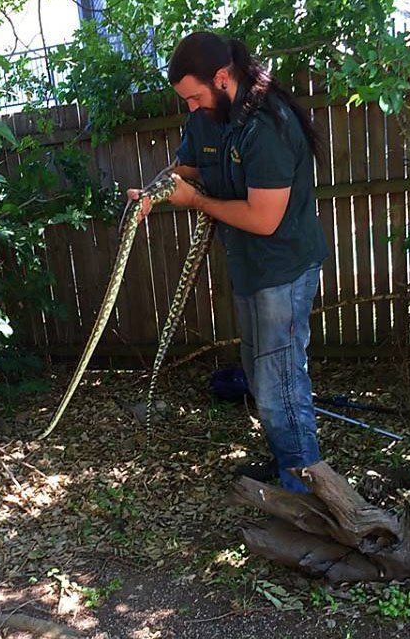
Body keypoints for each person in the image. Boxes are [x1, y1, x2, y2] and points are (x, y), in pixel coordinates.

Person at [127, 31, 329, 493]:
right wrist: (154, 192)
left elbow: (263, 218)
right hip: (249, 268)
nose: (191, 107)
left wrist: (195, 201)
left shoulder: (269, 126)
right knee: (260, 376)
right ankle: (287, 468)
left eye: (195, 96)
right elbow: (187, 169)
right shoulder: (206, 117)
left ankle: (304, 489)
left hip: (284, 270)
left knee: (281, 383)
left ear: (221, 78)